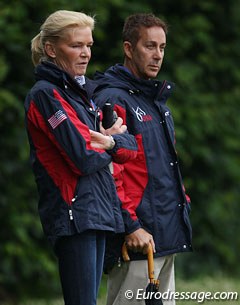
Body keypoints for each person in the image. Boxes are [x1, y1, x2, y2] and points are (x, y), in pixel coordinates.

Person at [24, 10, 138, 305]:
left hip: (99, 212)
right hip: (74, 216)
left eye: (89, 45)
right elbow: (84, 157)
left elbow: (129, 145)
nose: (85, 53)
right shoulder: (46, 95)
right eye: (76, 45)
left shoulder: (82, 93)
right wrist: (110, 143)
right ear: (51, 49)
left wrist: (109, 140)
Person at [93, 13, 193, 305]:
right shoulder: (113, 99)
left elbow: (164, 167)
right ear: (128, 48)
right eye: (149, 46)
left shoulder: (155, 100)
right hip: (137, 238)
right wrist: (131, 226)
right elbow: (108, 171)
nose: (157, 55)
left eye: (162, 47)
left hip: (164, 234)